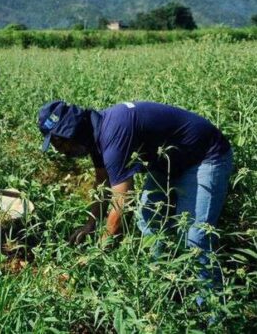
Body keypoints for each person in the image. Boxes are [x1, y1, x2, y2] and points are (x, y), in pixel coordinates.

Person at [38, 100, 233, 292]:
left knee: (194, 238)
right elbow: (102, 182)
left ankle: (211, 312)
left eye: (58, 142)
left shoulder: (113, 134)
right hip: (166, 163)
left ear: (71, 131)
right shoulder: (94, 135)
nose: (60, 151)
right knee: (149, 222)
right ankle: (162, 287)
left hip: (205, 157)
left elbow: (122, 207)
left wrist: (95, 255)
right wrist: (91, 223)